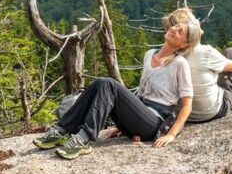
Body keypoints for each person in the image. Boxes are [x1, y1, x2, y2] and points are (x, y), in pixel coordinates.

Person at [33, 21, 201, 160]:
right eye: (175, 26)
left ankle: (82, 139)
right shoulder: (150, 54)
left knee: (108, 83)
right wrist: (125, 121)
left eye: (180, 32)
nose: (173, 29)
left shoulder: (180, 64)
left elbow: (187, 106)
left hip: (153, 122)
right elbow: (141, 93)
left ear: (184, 44)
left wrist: (171, 134)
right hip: (139, 115)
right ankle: (63, 130)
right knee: (100, 83)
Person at [163, 8, 232, 123]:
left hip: (182, 113)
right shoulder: (204, 52)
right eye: (195, 19)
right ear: (190, 27)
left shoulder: (167, 54)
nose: (198, 21)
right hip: (209, 112)